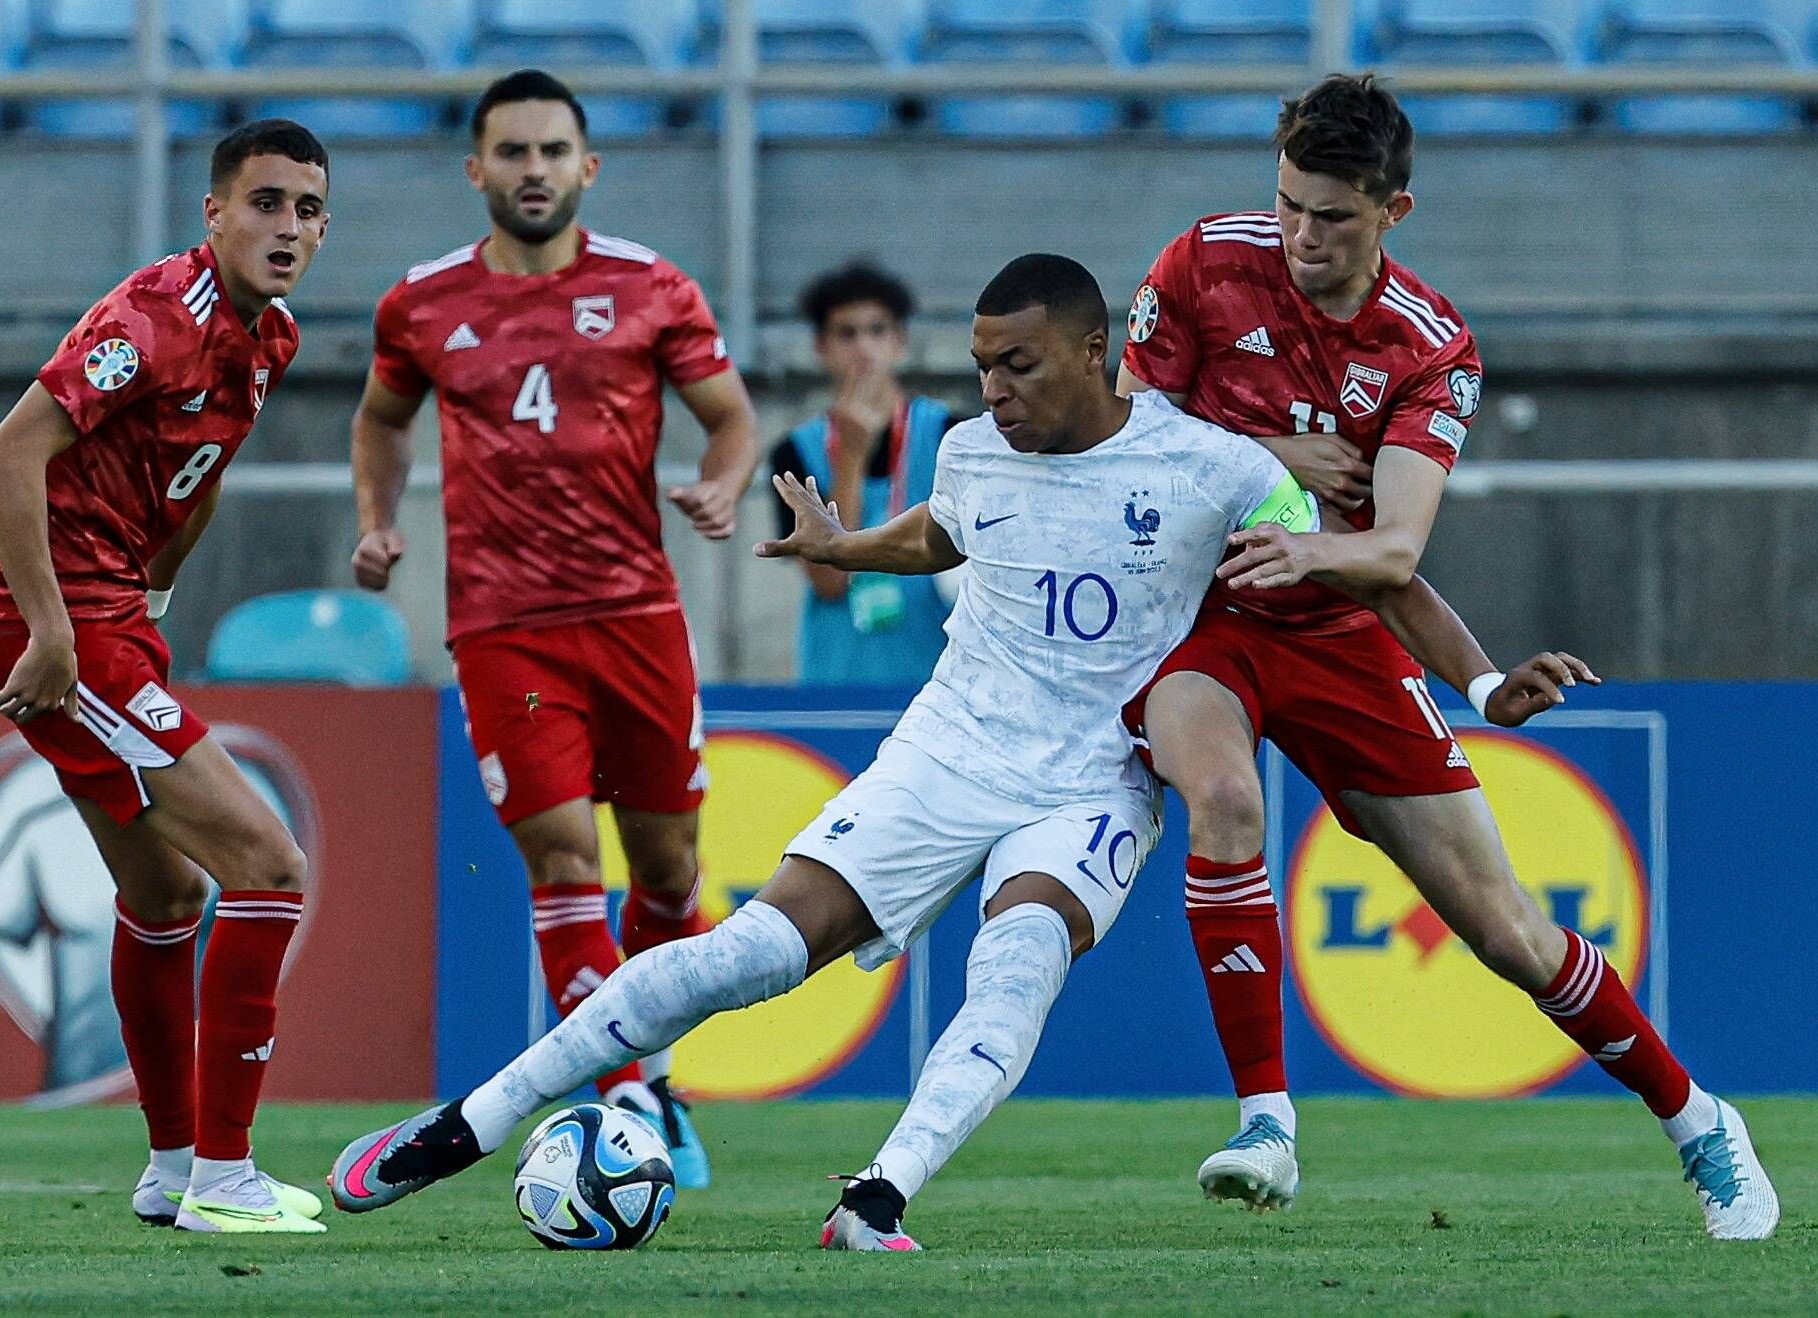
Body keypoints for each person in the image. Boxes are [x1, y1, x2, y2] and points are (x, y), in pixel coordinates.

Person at [325, 253, 1323, 1244]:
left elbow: (1315, 550)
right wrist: (845, 545)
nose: (994, 389)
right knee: (743, 953)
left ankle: (876, 1197)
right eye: (982, 365)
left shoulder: (1209, 465)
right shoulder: (974, 449)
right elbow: (946, 533)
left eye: (1018, 363)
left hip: (1095, 783)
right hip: (949, 749)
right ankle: (469, 1122)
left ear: (1091, 351)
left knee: (1017, 962)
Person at [1119, 73, 1776, 1240]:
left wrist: (1477, 682)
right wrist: (1275, 450)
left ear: (1393, 213)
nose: (1301, 238)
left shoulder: (1430, 346)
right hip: (1197, 618)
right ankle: (1267, 1123)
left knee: (1509, 932)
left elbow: (1397, 546)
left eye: (1332, 217)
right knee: (1222, 798)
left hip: (1336, 633)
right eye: (1287, 206)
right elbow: (1117, 434)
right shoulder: (1201, 264)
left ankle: (1699, 1120)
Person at [347, 70, 760, 1187]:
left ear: (589, 165)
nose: (534, 170)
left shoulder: (651, 288)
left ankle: (651, 1062)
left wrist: (723, 487)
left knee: (669, 870)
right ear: (476, 168)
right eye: (513, 152)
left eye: (552, 151)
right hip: (504, 625)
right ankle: (628, 1093)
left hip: (636, 615)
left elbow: (731, 420)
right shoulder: (421, 303)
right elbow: (381, 417)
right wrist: (378, 523)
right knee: (567, 862)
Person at [0, 120, 333, 1234]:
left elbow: (199, 472)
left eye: (308, 210)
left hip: (115, 615)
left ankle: (173, 1168)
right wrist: (54, 629)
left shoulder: (269, 341)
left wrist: (154, 594)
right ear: (214, 211)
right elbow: (4, 457)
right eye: (265, 203)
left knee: (166, 895)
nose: (288, 229)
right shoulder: (151, 320)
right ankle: (227, 1174)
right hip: (63, 625)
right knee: (269, 860)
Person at [769, 263, 964, 683]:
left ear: (900, 341)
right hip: (836, 682)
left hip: (938, 682)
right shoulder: (794, 453)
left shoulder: (952, 435)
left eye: (877, 330)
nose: (863, 348)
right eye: (847, 333)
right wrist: (851, 460)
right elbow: (830, 583)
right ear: (821, 346)